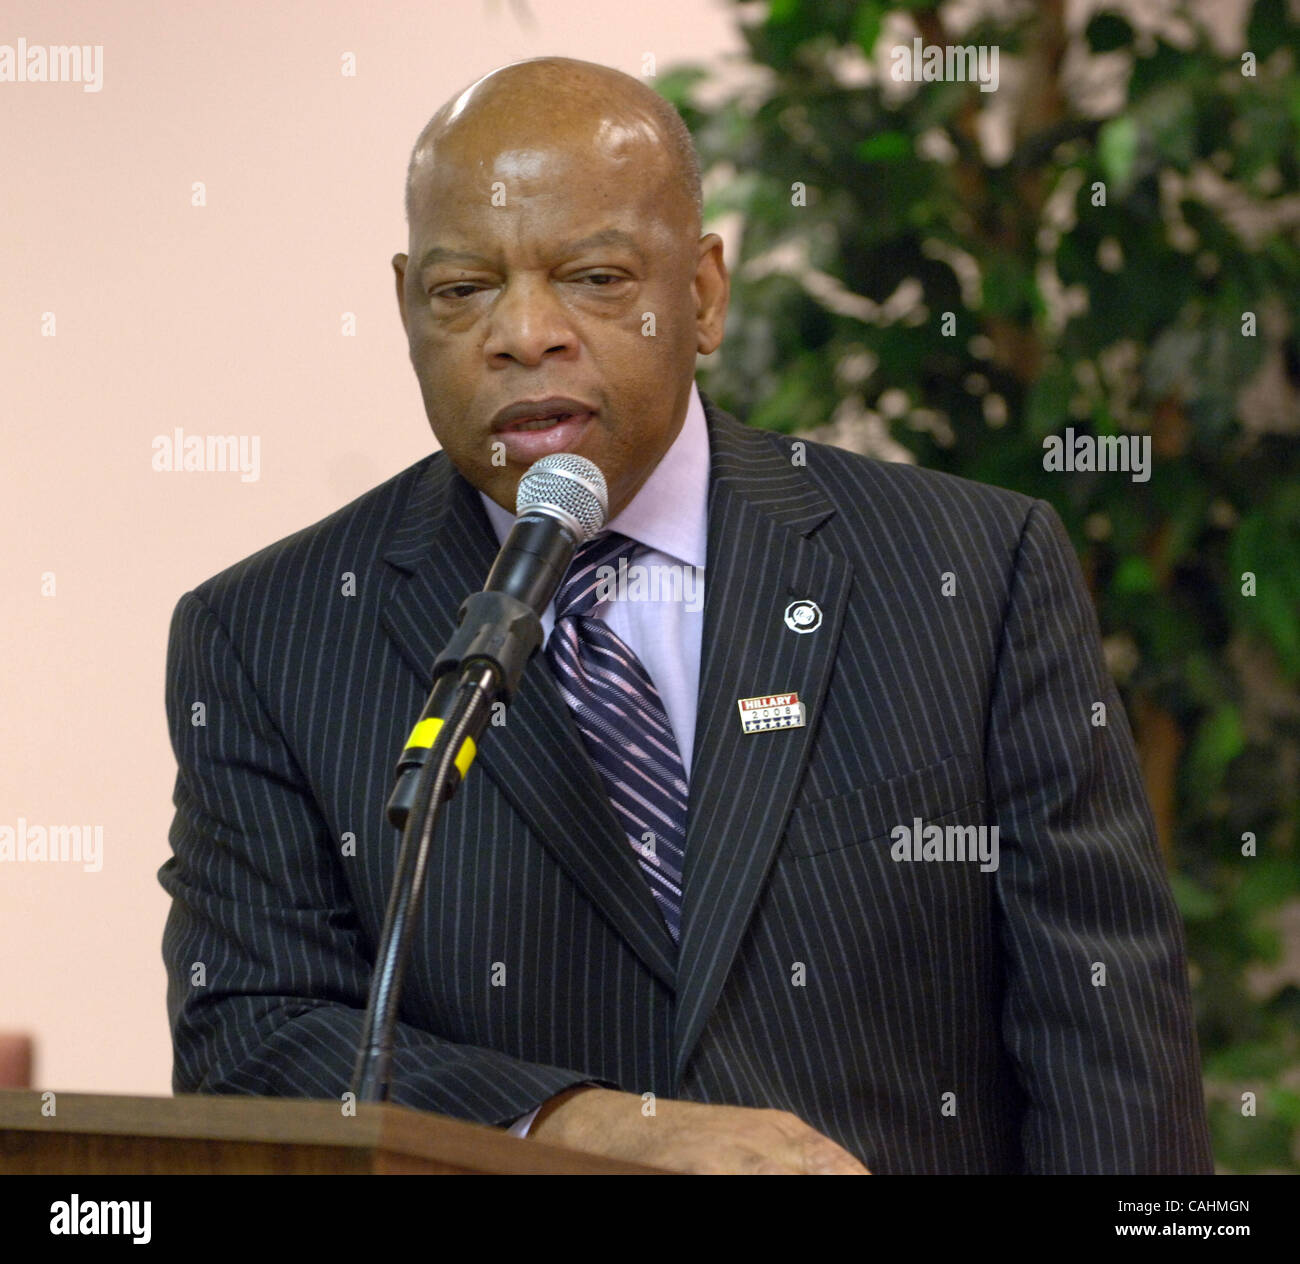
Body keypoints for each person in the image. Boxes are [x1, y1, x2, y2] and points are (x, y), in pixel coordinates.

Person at [158, 55, 1213, 1175]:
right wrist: (583, 1122)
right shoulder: (269, 635)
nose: (524, 333)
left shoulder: (968, 573)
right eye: (463, 291)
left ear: (702, 294)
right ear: (407, 306)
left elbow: (1110, 1061)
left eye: (594, 277)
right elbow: (249, 1033)